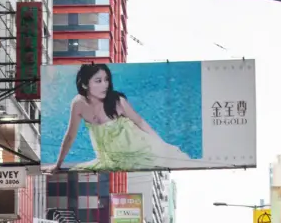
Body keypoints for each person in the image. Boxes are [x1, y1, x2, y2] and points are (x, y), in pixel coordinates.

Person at [51, 64, 195, 172]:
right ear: (84, 84)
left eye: (106, 80)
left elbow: (139, 121)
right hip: (109, 159)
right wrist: (58, 164)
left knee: (178, 161)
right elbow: (70, 135)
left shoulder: (117, 101)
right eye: (98, 81)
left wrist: (160, 144)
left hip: (138, 149)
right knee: (76, 170)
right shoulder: (78, 103)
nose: (105, 85)